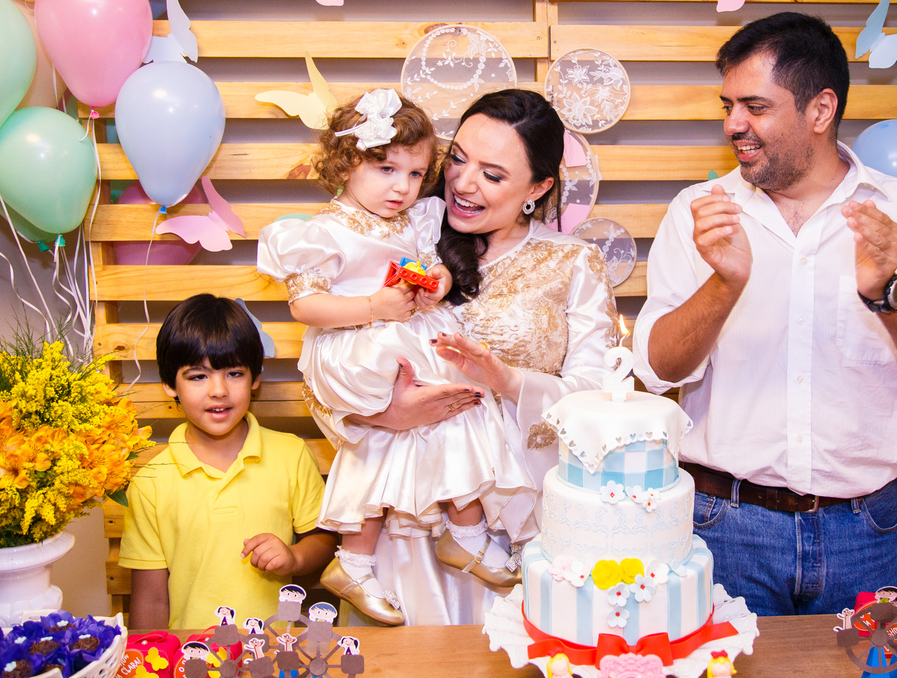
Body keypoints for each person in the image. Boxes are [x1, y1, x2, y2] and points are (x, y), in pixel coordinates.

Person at [632, 12, 897, 616]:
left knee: (868, 665)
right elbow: (657, 371)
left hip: (867, 534)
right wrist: (724, 284)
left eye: (755, 107)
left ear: (821, 110)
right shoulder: (700, 212)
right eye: (728, 106)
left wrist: (887, 292)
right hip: (725, 527)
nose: (733, 124)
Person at [314, 88, 620, 625]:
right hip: (402, 527)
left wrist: (510, 382)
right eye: (457, 158)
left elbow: (600, 402)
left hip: (517, 524)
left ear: (538, 187)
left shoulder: (573, 263)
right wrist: (385, 414)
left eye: (493, 175)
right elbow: (327, 366)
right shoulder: (402, 238)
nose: (462, 182)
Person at [257, 89, 538, 626]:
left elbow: (433, 265)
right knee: (397, 428)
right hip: (357, 342)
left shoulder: (415, 218)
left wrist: (438, 282)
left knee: (455, 410)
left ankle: (376, 555)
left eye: (414, 174)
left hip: (403, 331)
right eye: (386, 169)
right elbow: (305, 305)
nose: (402, 187)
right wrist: (374, 307)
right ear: (347, 161)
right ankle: (442, 539)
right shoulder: (323, 230)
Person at [118, 294, 336, 629]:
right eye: (198, 376)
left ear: (255, 378)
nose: (218, 390)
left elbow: (323, 540)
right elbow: (151, 598)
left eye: (234, 373)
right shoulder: (150, 482)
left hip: (270, 650)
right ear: (169, 384)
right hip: (190, 653)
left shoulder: (290, 455)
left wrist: (294, 556)